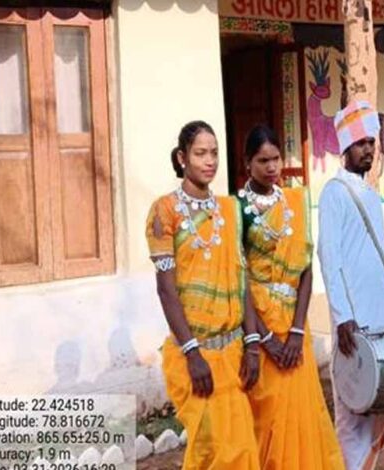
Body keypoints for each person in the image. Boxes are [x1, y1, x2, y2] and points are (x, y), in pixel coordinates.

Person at [145, 121, 260, 469]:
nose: (210, 161)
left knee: (241, 450)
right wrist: (193, 353)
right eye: (200, 154)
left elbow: (242, 279)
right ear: (182, 158)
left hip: (233, 353)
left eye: (214, 153)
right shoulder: (164, 211)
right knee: (213, 450)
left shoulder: (230, 210)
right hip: (193, 356)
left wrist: (252, 344)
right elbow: (166, 289)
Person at [237, 125, 344, 470]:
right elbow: (238, 279)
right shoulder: (236, 209)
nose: (271, 167)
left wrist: (298, 331)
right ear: (247, 163)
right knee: (267, 417)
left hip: (294, 326)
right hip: (257, 323)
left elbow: (306, 269)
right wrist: (264, 338)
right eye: (262, 160)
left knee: (302, 415)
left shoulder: (294, 203)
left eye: (276, 159)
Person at [317, 100, 384, 470]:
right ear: (345, 148)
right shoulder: (334, 193)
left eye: (371, 142)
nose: (368, 150)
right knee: (352, 406)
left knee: (382, 400)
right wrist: (342, 316)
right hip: (354, 320)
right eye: (360, 144)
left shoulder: (370, 194)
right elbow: (329, 257)